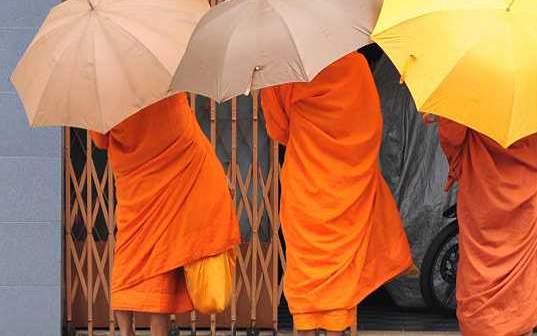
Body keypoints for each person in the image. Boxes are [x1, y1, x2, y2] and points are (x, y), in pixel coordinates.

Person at [260, 52, 414, 336]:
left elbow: (278, 129)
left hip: (305, 183)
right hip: (348, 184)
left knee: (306, 272)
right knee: (343, 271)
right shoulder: (355, 65)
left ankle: (304, 327)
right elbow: (372, 125)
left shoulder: (283, 68)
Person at [89, 93, 241, 336]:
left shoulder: (107, 90)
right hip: (176, 176)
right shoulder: (165, 82)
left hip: (136, 183)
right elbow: (185, 127)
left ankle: (125, 330)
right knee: (163, 261)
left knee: (130, 256)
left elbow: (100, 140)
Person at [430, 114, 537, 336]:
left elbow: (452, 137)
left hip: (482, 194)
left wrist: (461, 158)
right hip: (528, 203)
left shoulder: (474, 82)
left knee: (480, 282)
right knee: (521, 290)